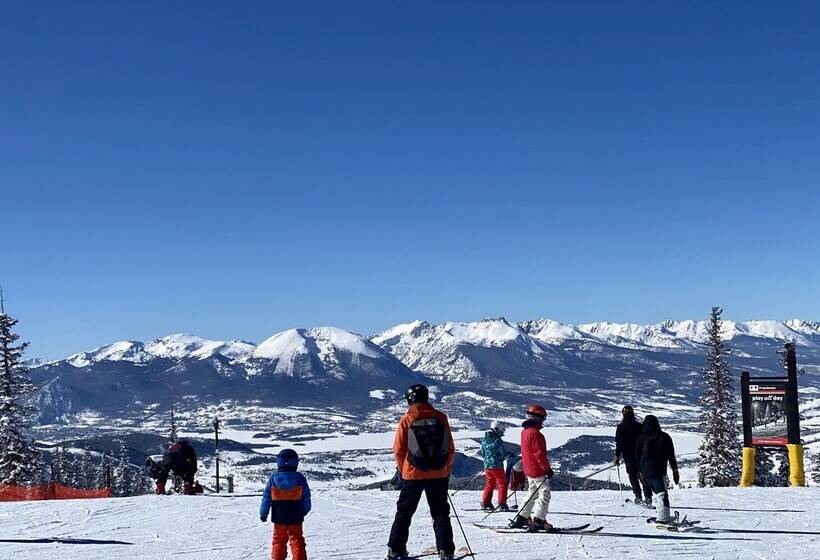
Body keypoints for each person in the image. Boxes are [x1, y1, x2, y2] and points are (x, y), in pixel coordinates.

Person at [387, 384, 456, 560]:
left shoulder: (407, 418)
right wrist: (445, 469)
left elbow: (398, 450)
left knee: (404, 513)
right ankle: (446, 551)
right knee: (440, 513)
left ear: (410, 399)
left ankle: (396, 550)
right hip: (439, 474)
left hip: (412, 474)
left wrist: (404, 471)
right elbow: (450, 447)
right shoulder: (441, 417)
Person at [508, 404, 554, 532]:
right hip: (537, 470)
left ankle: (521, 517)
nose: (543, 420)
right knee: (544, 494)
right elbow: (540, 455)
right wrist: (547, 469)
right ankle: (538, 520)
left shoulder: (525, 432)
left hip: (528, 469)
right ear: (539, 417)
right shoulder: (536, 434)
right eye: (543, 418)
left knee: (532, 493)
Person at [260, 448, 312, 560]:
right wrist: (303, 511)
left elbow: (266, 498)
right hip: (296, 516)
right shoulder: (300, 478)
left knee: (279, 539)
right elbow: (306, 498)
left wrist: (263, 513)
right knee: (296, 539)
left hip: (279, 517)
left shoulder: (273, 479)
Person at [636, 415, 680, 526]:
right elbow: (671, 455)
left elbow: (637, 456)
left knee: (658, 493)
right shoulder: (664, 437)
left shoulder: (641, 438)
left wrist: (639, 472)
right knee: (662, 494)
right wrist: (675, 470)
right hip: (658, 469)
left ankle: (662, 513)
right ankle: (663, 518)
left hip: (645, 470)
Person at [613, 405, 652, 505]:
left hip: (628, 456)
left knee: (633, 477)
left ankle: (638, 496)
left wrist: (617, 456)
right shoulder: (639, 426)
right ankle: (648, 498)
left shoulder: (620, 427)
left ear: (623, 414)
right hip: (641, 456)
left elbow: (619, 444)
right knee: (643, 476)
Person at [480, 420, 510, 511]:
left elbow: (483, 452)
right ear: (496, 429)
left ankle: (486, 502)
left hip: (487, 465)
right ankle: (502, 504)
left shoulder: (484, 439)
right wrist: (509, 455)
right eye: (502, 430)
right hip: (497, 465)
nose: (502, 432)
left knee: (490, 483)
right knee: (502, 484)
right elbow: (502, 454)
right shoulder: (498, 440)